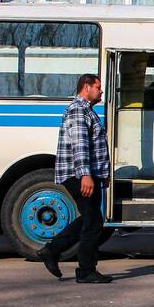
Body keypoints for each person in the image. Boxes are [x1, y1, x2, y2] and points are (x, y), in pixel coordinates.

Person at [36, 73, 112, 284]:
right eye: (98, 87)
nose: (101, 91)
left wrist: (102, 175)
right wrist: (85, 175)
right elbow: (80, 146)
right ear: (86, 88)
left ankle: (52, 250)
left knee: (92, 219)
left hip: (87, 174)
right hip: (79, 175)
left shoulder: (87, 111)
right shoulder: (79, 111)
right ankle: (85, 270)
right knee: (93, 222)